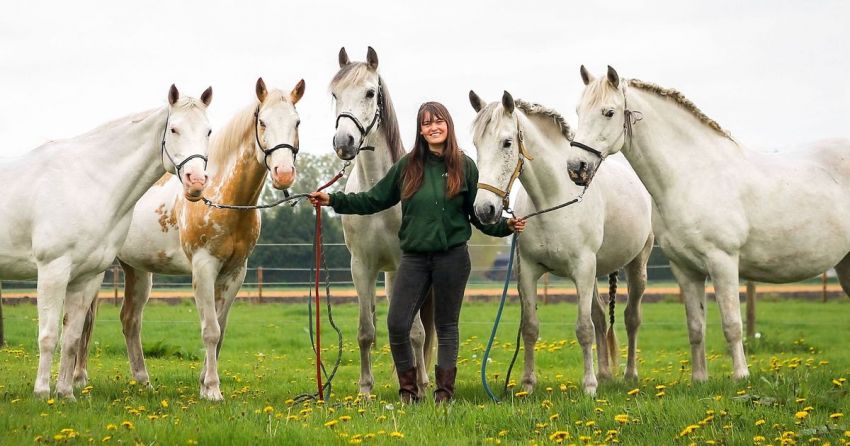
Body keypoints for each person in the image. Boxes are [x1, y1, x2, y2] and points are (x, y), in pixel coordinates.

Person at [309, 102, 524, 403]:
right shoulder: (407, 166)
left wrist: (506, 227)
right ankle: (409, 391)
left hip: (452, 258)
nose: (433, 128)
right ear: (420, 131)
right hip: (414, 259)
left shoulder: (465, 166)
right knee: (397, 323)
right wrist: (333, 199)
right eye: (426, 124)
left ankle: (444, 394)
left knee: (447, 327)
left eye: (438, 122)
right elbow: (373, 199)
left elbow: (478, 218)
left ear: (448, 126)